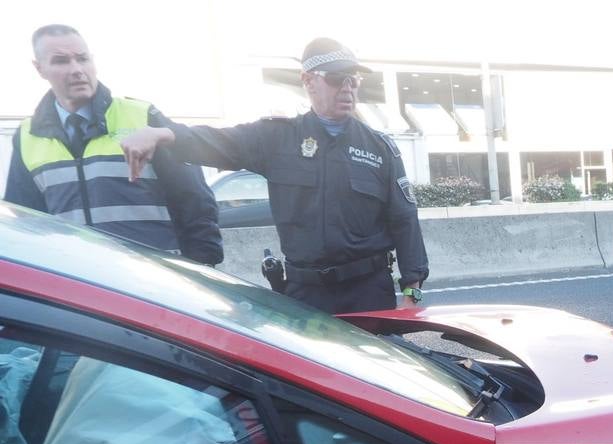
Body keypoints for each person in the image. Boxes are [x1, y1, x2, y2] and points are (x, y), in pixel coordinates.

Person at [120, 38, 427, 314]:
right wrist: (162, 133)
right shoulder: (277, 139)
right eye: (336, 79)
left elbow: (404, 219)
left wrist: (412, 290)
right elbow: (219, 141)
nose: (347, 88)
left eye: (353, 80)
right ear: (309, 82)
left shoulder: (380, 148)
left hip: (368, 292)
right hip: (307, 295)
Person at [5, 24, 222, 266]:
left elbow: (193, 200)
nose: (77, 69)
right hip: (80, 282)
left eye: (82, 58)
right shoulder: (27, 135)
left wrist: (204, 268)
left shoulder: (142, 117)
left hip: (157, 282)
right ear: (39, 68)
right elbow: (26, 223)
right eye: (61, 61)